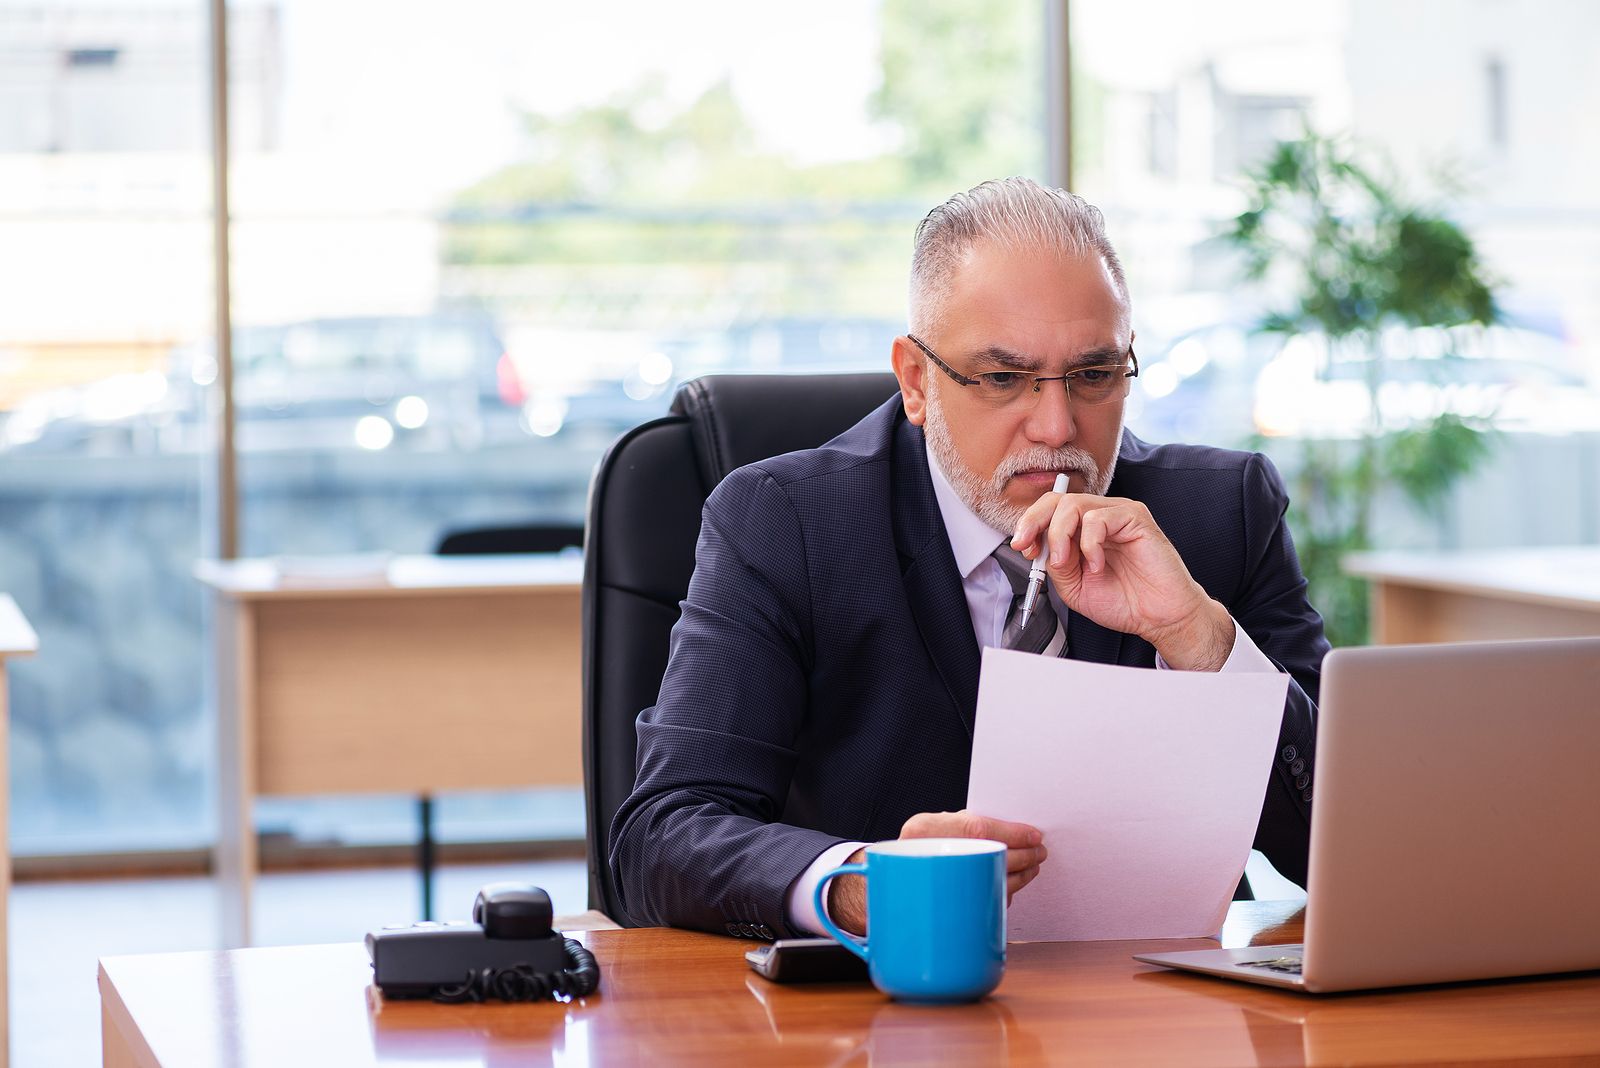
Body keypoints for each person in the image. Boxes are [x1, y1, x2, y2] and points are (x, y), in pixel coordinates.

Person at [610, 177, 1328, 939]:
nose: (1057, 427)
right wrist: (861, 882)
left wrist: (1199, 637)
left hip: (1165, 1016)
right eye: (1002, 378)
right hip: (885, 1020)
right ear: (917, 381)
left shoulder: (1221, 514)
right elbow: (661, 837)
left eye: (1093, 375)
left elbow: (1340, 843)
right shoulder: (786, 525)